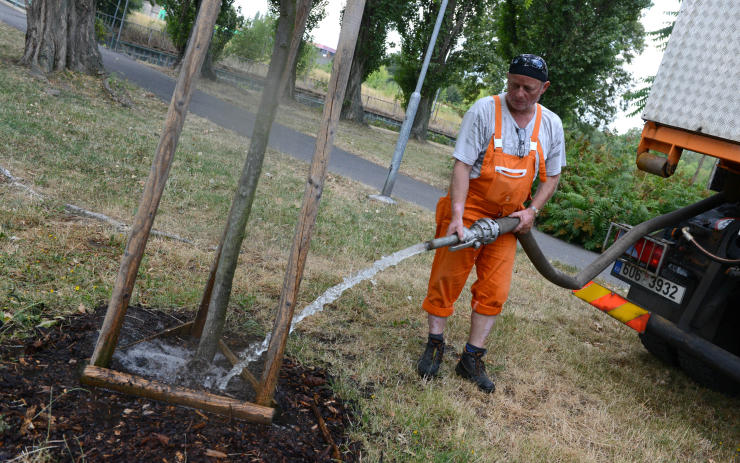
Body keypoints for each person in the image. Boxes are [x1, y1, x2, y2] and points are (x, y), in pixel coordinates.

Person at [416, 54, 566, 393]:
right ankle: (435, 345)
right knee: (446, 279)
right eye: (513, 84)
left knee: (494, 291)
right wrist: (457, 217)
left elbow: (552, 176)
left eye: (528, 88)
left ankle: (471, 358)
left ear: (544, 88)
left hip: (509, 222)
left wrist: (531, 212)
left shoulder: (551, 125)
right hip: (469, 210)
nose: (519, 93)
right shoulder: (483, 111)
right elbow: (460, 166)